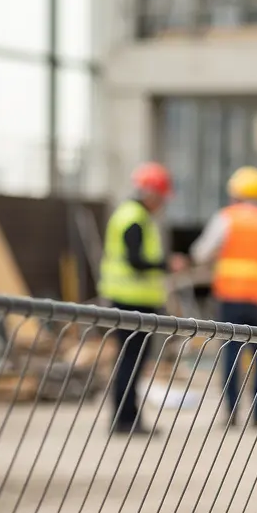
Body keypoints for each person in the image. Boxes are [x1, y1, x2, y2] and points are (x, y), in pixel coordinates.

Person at [189, 166, 257, 427]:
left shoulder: (227, 218)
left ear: (236, 193)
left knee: (231, 353)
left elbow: (200, 252)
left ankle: (232, 413)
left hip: (231, 297)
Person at [98, 162, 188, 435]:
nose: (162, 205)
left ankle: (127, 416)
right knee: (131, 361)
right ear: (152, 194)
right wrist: (165, 265)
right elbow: (135, 260)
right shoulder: (134, 218)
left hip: (131, 300)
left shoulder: (131, 215)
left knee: (131, 361)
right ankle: (125, 419)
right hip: (131, 301)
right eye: (161, 199)